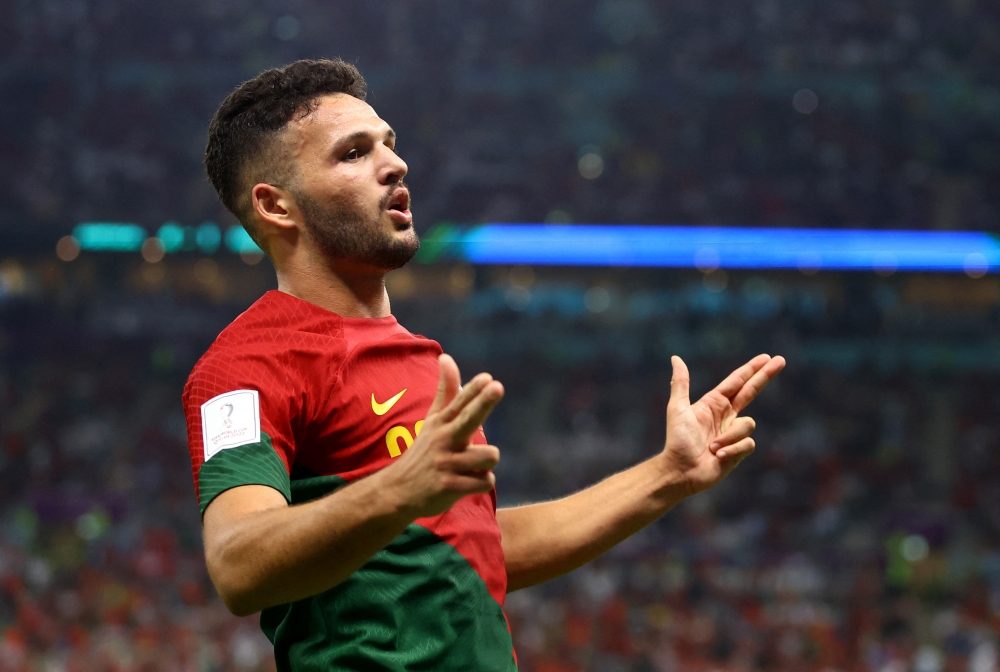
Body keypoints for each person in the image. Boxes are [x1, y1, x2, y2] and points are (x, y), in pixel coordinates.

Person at [182, 58, 785, 672]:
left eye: (388, 143)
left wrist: (668, 476)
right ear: (276, 206)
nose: (395, 164)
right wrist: (400, 488)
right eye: (353, 153)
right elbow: (237, 562)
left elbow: (473, 551)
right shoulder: (247, 362)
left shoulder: (418, 358)